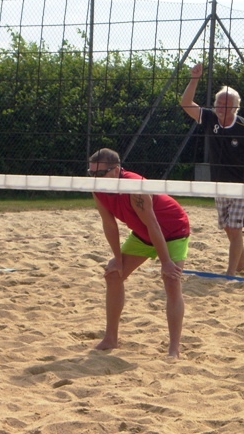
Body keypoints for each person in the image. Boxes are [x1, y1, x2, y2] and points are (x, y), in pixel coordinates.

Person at [88, 148, 190, 358]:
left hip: (173, 230)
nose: (95, 178)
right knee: (113, 275)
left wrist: (166, 262)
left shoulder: (135, 187)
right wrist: (117, 258)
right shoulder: (98, 189)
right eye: (91, 173)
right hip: (143, 233)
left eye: (100, 173)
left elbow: (154, 224)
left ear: (116, 170)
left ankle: (174, 348)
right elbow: (109, 224)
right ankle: (110, 338)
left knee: (171, 280)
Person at [180, 62, 244, 275]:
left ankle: (230, 273)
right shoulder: (210, 118)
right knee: (228, 227)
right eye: (218, 103)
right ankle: (243, 262)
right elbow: (186, 103)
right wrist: (194, 79)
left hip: (242, 184)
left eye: (226, 104)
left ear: (235, 108)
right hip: (219, 182)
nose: (221, 107)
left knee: (235, 227)